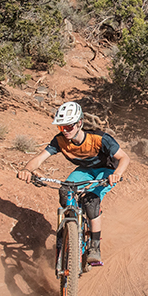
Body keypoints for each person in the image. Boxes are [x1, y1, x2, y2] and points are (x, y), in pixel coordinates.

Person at [18, 101, 129, 264]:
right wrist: (27, 170)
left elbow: (124, 157)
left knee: (91, 201)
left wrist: (117, 174)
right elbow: (40, 158)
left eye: (69, 126)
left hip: (107, 171)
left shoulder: (100, 139)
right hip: (85, 170)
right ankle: (72, 231)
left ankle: (94, 246)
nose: (65, 131)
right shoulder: (60, 140)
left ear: (79, 123)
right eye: (61, 127)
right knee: (65, 191)